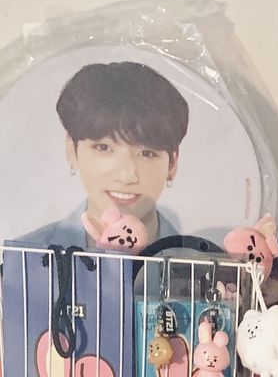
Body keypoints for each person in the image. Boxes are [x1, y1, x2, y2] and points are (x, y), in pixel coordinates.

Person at [17, 60, 189, 250]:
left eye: (146, 153)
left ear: (172, 162)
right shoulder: (25, 255)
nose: (126, 175)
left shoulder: (203, 265)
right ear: (71, 150)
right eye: (103, 148)